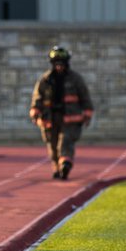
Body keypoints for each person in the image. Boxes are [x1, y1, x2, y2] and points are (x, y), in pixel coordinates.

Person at [30, 45, 94, 180]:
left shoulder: (75, 79)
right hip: (50, 118)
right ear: (52, 64)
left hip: (70, 118)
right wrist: (35, 112)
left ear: (66, 64)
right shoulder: (45, 80)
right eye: (56, 64)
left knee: (65, 142)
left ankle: (65, 164)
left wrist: (87, 114)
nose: (59, 67)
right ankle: (57, 167)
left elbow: (85, 97)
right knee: (52, 146)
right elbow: (38, 97)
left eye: (62, 64)